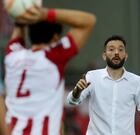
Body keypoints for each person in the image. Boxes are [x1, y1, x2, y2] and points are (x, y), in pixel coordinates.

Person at [4, 5, 96, 135]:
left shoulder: (12, 56)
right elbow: (88, 21)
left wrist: (22, 16)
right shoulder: (54, 57)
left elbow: (18, 30)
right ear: (55, 38)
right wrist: (44, 14)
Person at [67, 35, 140, 135]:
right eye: (111, 49)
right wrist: (77, 92)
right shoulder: (92, 77)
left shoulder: (137, 82)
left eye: (120, 49)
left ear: (126, 56)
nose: (116, 53)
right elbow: (71, 102)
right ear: (104, 55)